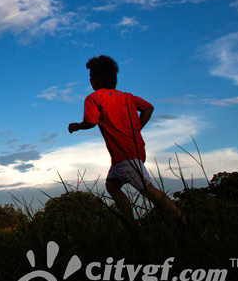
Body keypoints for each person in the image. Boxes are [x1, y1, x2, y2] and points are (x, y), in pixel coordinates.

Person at [67, 55, 184, 224]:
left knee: (149, 191)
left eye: (91, 77)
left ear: (97, 81)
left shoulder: (94, 98)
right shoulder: (127, 97)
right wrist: (137, 128)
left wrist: (77, 126)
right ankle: (130, 224)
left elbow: (91, 122)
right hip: (131, 154)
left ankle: (183, 221)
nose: (90, 81)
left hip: (125, 157)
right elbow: (148, 108)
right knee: (112, 185)